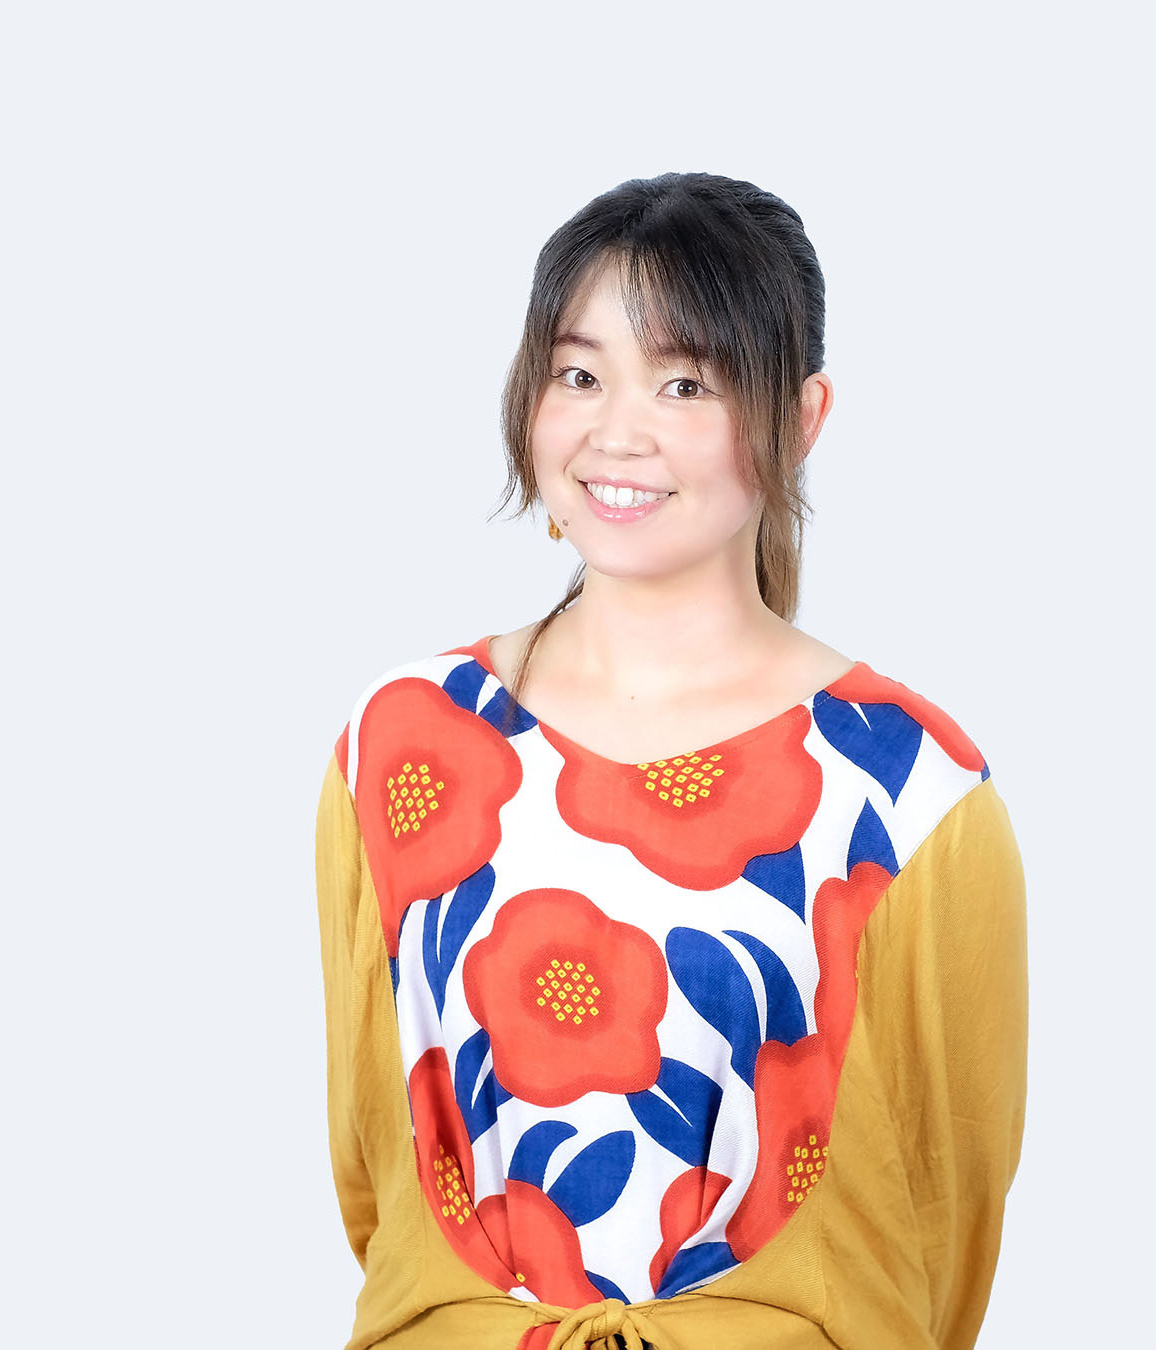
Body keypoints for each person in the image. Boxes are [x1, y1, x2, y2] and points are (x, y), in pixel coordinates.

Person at [313, 171, 1028, 1350]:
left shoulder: (909, 787)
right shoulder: (402, 742)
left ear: (801, 418)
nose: (617, 432)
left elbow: (942, 1216)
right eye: (578, 374)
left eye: (684, 381)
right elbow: (374, 1165)